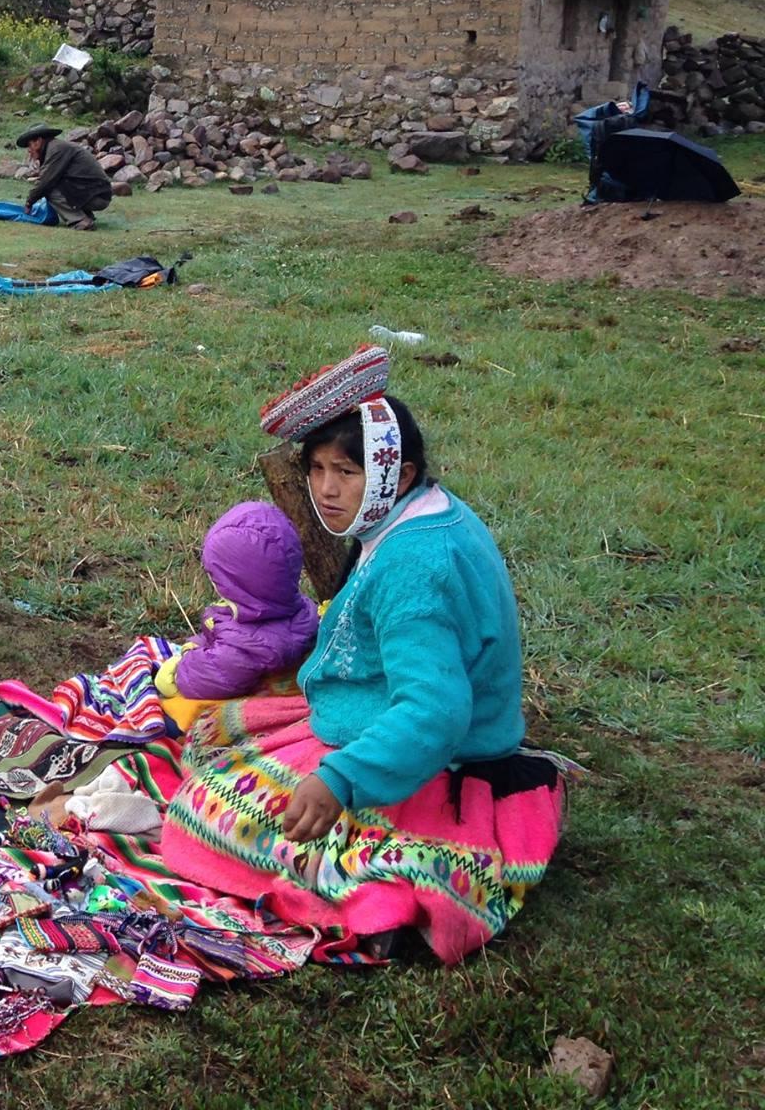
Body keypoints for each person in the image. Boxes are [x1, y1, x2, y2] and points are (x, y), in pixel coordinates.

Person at [161, 345, 569, 964]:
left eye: (347, 472)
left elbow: (434, 712)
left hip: (441, 760)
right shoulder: (428, 515)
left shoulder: (413, 566)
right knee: (220, 742)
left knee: (204, 814)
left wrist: (341, 781)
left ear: (397, 475)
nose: (326, 490)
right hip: (392, 721)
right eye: (318, 468)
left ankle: (375, 901)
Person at [153, 502, 318, 729]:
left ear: (245, 584)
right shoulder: (292, 607)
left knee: (165, 722)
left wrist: (180, 671)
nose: (212, 581)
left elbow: (212, 677)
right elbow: (226, 639)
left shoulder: (248, 644)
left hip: (236, 703)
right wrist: (195, 644)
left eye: (217, 576)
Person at [16, 125, 112, 229]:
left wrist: (29, 203)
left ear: (38, 141)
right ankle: (86, 216)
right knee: (58, 185)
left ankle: (80, 220)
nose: (29, 150)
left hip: (98, 196)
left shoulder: (56, 149)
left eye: (29, 145)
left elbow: (45, 181)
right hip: (94, 192)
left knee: (49, 190)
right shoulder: (56, 147)